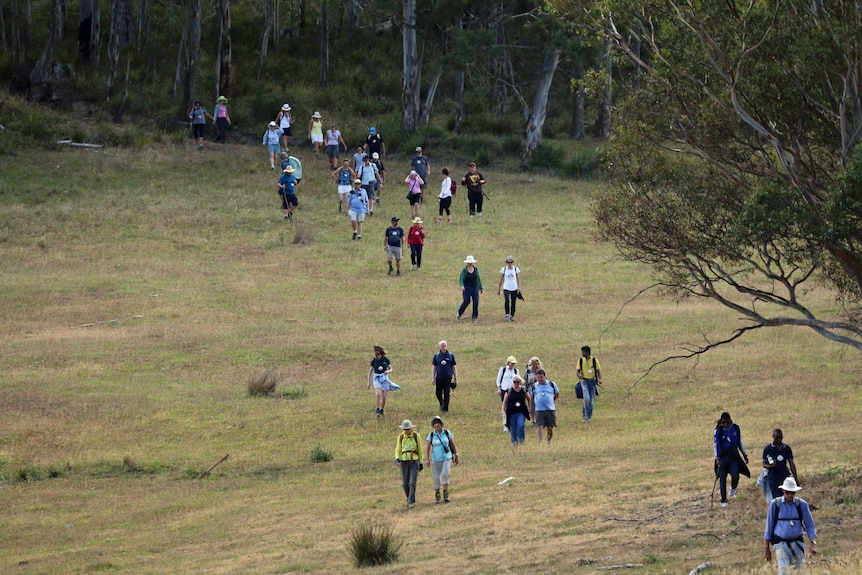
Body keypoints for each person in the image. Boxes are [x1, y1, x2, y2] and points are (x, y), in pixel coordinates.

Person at [763, 477, 817, 574]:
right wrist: (767, 549)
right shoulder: (775, 504)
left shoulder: (801, 504)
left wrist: (813, 542)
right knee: (783, 571)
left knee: (799, 571)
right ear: (783, 491)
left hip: (797, 543)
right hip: (780, 544)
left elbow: (809, 524)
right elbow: (769, 527)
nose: (790, 495)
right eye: (787, 492)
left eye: (792, 493)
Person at [713, 412, 750, 508]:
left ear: (730, 420)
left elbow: (739, 442)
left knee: (735, 475)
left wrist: (744, 454)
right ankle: (723, 499)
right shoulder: (718, 431)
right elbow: (716, 445)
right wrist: (717, 458)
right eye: (724, 423)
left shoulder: (735, 428)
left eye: (727, 422)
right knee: (722, 479)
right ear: (721, 422)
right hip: (723, 457)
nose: (726, 424)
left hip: (733, 456)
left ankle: (733, 488)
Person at [424, 416, 459, 504]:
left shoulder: (447, 433)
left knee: (445, 474)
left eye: (438, 425)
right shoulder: (431, 435)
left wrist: (456, 454)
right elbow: (428, 447)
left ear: (441, 425)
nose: (437, 427)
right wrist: (427, 459)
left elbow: (452, 444)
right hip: (436, 458)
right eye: (435, 426)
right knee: (436, 477)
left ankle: (445, 492)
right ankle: (437, 494)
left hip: (447, 457)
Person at [763, 429, 800, 503]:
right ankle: (777, 513)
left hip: (784, 476)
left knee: (785, 496)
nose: (779, 440)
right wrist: (771, 466)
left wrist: (795, 478)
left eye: (780, 437)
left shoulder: (786, 448)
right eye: (777, 438)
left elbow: (791, 463)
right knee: (776, 498)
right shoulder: (768, 448)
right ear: (773, 437)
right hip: (773, 476)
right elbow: (764, 464)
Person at [395, 419, 423, 509]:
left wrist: (421, 461)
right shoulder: (401, 437)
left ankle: (411, 501)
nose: (407, 431)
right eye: (405, 429)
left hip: (414, 461)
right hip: (404, 461)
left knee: (412, 482)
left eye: (408, 429)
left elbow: (420, 449)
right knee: (404, 483)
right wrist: (397, 458)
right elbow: (398, 449)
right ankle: (409, 497)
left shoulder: (416, 436)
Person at [532, 369, 559, 446]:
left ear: (545, 376)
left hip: (550, 409)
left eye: (541, 377)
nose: (540, 379)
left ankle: (549, 441)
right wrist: (531, 407)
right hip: (539, 409)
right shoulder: (534, 386)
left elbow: (557, 394)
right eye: (538, 377)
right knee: (539, 426)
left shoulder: (551, 384)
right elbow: (532, 396)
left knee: (550, 427)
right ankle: (540, 442)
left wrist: (551, 400)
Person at [368, 345, 396, 417]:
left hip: (384, 378)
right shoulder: (374, 360)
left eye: (379, 354)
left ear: (382, 354)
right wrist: (368, 382)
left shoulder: (386, 360)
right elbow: (370, 371)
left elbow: (391, 369)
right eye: (377, 354)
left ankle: (381, 410)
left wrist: (388, 371)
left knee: (384, 397)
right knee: (377, 394)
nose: (378, 355)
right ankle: (377, 409)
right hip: (377, 377)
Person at [502, 375, 531, 445]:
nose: (516, 383)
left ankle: (521, 441)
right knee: (513, 427)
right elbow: (505, 401)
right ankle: (514, 442)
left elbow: (529, 399)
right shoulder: (509, 390)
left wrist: (530, 408)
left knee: (521, 425)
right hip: (511, 412)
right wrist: (503, 410)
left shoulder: (523, 390)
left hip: (521, 412)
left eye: (517, 382)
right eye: (514, 382)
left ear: (520, 382)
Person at [576, 346, 602, 423]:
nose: (582, 354)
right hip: (584, 381)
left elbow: (598, 370)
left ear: (588, 352)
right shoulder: (581, 360)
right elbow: (577, 371)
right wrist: (579, 375)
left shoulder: (594, 360)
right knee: (586, 398)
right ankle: (585, 416)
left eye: (583, 352)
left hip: (592, 382)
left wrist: (600, 379)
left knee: (591, 401)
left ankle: (589, 416)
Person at [431, 340, 458, 412]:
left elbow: (454, 367)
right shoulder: (437, 356)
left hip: (448, 378)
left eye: (445, 346)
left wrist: (456, 378)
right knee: (438, 393)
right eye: (442, 346)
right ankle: (441, 402)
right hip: (439, 378)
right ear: (439, 347)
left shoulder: (450, 356)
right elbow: (434, 367)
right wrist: (433, 378)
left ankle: (445, 409)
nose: (444, 347)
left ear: (446, 346)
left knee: (446, 394)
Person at [457, 255, 483, 321]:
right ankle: (459, 313)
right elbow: (461, 279)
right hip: (467, 287)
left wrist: (480, 287)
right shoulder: (464, 270)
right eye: (469, 263)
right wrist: (462, 286)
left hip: (475, 287)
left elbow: (478, 279)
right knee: (466, 301)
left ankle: (475, 316)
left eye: (471, 262)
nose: (470, 264)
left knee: (476, 301)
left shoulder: (475, 269)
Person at [497, 256, 522, 322]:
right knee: (507, 300)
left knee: (513, 301)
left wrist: (519, 287)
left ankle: (512, 315)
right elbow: (501, 279)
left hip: (514, 287)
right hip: (506, 287)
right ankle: (507, 314)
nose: (509, 264)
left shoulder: (516, 269)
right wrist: (499, 289)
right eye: (508, 262)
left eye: (511, 262)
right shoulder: (504, 269)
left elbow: (518, 279)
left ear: (513, 262)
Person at [524, 357, 542, 424]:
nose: (534, 366)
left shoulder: (541, 370)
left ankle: (539, 418)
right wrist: (525, 390)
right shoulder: (528, 371)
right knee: (531, 403)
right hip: (530, 388)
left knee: (539, 403)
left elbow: (546, 379)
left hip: (539, 388)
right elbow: (525, 380)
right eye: (533, 364)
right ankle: (533, 419)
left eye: (536, 364)